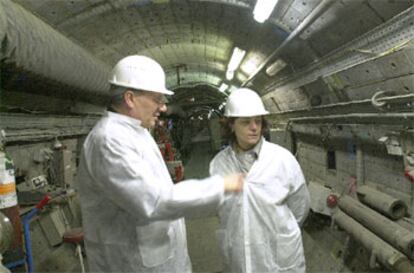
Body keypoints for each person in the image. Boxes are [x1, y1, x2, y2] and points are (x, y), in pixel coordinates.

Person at [76, 55, 243, 273]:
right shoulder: (109, 141)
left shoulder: (137, 131)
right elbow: (154, 201)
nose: (163, 108)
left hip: (161, 259)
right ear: (129, 98)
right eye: (157, 99)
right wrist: (221, 185)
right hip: (131, 264)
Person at [209, 88, 310, 273]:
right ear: (231, 125)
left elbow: (300, 206)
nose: (254, 127)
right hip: (239, 252)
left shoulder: (282, 159)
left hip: (279, 255)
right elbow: (221, 210)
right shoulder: (218, 165)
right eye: (246, 122)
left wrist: (278, 230)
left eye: (258, 121)